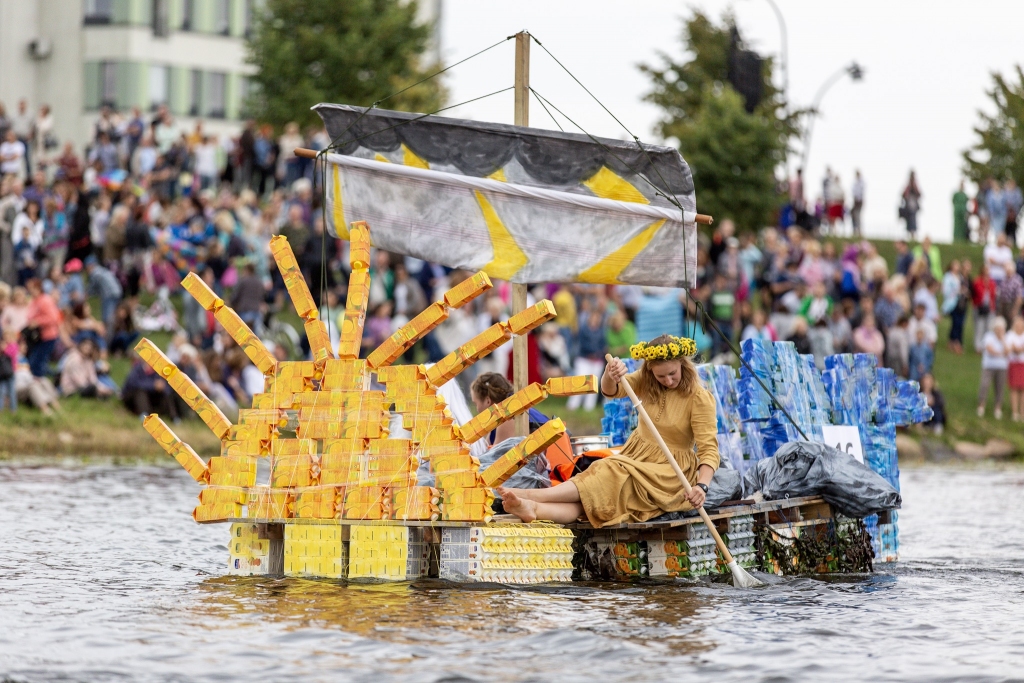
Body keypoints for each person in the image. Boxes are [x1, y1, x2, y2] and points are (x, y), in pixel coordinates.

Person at [499, 335, 718, 527]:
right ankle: (534, 509)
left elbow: (709, 450)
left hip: (669, 473)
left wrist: (702, 486)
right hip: (636, 457)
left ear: (683, 364)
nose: (668, 381)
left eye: (672, 374)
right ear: (651, 371)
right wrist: (610, 374)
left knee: (606, 470)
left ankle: (534, 495)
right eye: (661, 377)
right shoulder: (646, 380)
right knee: (598, 500)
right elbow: (610, 390)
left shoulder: (699, 398)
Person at [470, 373, 553, 449]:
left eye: (475, 404)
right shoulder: (509, 408)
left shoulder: (508, 417)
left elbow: (492, 459)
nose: (477, 409)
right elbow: (485, 449)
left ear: (488, 401)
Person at [24, 277, 61, 378]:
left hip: (48, 335)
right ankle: (54, 376)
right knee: (37, 360)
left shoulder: (45, 300)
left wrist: (38, 322)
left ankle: (42, 382)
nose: (29, 290)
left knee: (37, 361)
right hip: (37, 337)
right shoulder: (34, 300)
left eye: (31, 287)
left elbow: (54, 317)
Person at [978, 316, 1009, 420]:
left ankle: (998, 407)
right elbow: (989, 349)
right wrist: (1001, 353)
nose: (1000, 330)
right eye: (998, 328)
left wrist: (1002, 340)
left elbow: (1008, 351)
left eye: (1001, 328)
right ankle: (981, 405)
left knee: (999, 387)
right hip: (989, 365)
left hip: (1002, 367)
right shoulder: (988, 336)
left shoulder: (1006, 337)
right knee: (984, 385)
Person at [972, 263, 997, 352]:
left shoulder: (992, 282)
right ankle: (978, 346)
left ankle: (986, 345)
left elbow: (994, 294)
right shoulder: (977, 282)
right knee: (979, 327)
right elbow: (975, 294)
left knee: (988, 327)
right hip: (979, 307)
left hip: (990, 307)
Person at [942, 260, 965, 353]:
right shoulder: (948, 277)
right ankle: (955, 342)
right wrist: (956, 291)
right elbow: (946, 290)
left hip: (960, 302)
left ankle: (953, 341)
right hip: (952, 303)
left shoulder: (960, 276)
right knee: (956, 322)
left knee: (959, 323)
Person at [1006, 315, 1024, 423]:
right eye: (1017, 325)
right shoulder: (1010, 335)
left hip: (1023, 364)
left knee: (1023, 390)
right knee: (1014, 389)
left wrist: (1018, 348)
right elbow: (1009, 348)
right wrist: (1018, 349)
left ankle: (1022, 412)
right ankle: (1015, 412)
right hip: (1014, 364)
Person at [901, 171, 922, 238]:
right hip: (909, 207)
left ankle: (912, 234)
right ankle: (910, 234)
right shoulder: (909, 185)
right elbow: (903, 194)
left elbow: (919, 194)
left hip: (913, 207)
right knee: (910, 221)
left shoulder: (914, 185)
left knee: (913, 220)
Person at [850, 170, 864, 237]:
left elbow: (859, 192)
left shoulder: (861, 182)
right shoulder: (856, 182)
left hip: (858, 201)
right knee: (854, 215)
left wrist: (857, 200)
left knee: (857, 216)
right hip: (855, 201)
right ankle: (855, 230)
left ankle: (858, 230)